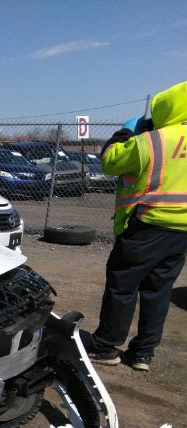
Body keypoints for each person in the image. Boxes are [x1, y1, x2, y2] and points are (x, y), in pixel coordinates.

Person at [85, 81, 187, 371]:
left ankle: (106, 346)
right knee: (159, 290)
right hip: (181, 232)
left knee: (123, 286)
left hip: (147, 226)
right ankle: (143, 353)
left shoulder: (153, 140)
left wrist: (124, 134)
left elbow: (109, 161)